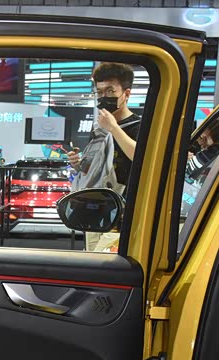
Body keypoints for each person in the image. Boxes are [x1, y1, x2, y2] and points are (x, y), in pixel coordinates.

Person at [67, 62, 141, 252]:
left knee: (108, 264)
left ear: (126, 94)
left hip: (123, 215)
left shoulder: (139, 126)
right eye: (99, 92)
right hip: (95, 211)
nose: (104, 97)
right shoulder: (98, 129)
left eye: (110, 90)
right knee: (91, 261)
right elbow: (93, 168)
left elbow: (142, 158)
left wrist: (113, 128)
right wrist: (78, 164)